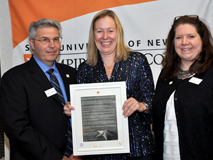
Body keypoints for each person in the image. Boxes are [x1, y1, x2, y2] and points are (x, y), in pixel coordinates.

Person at [152, 15, 213, 160]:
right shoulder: (166, 75)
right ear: (172, 42)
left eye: (191, 36)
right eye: (178, 37)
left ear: (202, 40)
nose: (184, 42)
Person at [64, 9, 155, 160]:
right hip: (99, 152)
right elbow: (84, 114)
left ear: (118, 33)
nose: (105, 37)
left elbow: (152, 101)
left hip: (138, 149)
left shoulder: (137, 61)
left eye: (110, 30)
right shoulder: (84, 69)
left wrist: (141, 105)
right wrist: (73, 109)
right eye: (99, 31)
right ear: (93, 35)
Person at [0, 18, 79, 160]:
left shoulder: (72, 74)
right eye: (44, 40)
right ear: (32, 43)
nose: (52, 45)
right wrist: (57, 158)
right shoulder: (14, 78)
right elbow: (17, 128)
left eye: (55, 39)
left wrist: (80, 152)